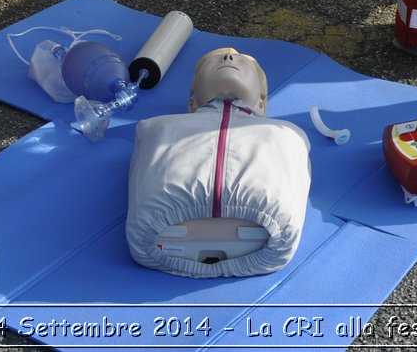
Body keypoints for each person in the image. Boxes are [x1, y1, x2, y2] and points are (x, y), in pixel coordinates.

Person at [125, 48, 311, 278]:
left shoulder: (287, 136)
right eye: (215, 61)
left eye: (242, 60)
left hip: (157, 229)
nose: (229, 57)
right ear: (191, 102)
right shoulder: (157, 129)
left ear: (262, 103)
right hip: (154, 226)